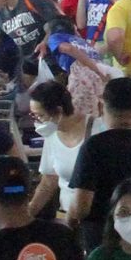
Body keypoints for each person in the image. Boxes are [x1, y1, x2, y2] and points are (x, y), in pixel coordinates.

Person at [69, 76, 131, 232]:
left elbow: (81, 207)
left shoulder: (93, 146)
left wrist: (69, 220)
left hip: (101, 238)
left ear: (101, 107)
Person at [29, 77, 93, 218]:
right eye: (33, 116)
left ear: (58, 110)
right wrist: (29, 212)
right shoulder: (51, 135)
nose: (37, 121)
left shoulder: (96, 129)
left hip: (93, 216)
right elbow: (48, 181)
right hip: (65, 214)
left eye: (40, 116)